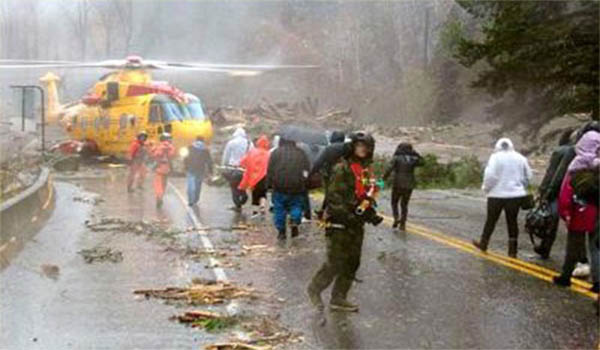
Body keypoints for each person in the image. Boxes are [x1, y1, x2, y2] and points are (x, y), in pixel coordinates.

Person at [307, 131, 381, 313]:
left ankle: (339, 298)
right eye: (359, 146)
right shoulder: (342, 168)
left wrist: (369, 213)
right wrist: (348, 216)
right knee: (334, 263)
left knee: (352, 262)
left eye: (366, 147)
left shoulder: (365, 170)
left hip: (356, 225)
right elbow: (334, 198)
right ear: (353, 147)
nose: (362, 149)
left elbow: (366, 194)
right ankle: (315, 289)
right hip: (339, 224)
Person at [553, 130, 599, 293]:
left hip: (579, 211)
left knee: (573, 246)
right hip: (597, 213)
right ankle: (598, 281)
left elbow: (566, 190)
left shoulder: (577, 164)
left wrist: (564, 211)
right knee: (595, 248)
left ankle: (565, 277)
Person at [472, 138, 532, 258]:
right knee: (512, 221)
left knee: (491, 220)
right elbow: (528, 175)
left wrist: (486, 188)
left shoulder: (495, 157)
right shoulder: (520, 158)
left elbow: (490, 176)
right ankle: (512, 250)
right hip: (515, 195)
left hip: (496, 195)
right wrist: (522, 187)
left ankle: (484, 242)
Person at [535, 129, 574, 259]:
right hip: (576, 190)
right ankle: (579, 257)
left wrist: (544, 189)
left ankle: (545, 247)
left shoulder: (560, 151)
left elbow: (551, 172)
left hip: (558, 190)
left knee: (551, 219)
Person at [266, 134, 311, 240]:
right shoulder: (301, 153)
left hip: (279, 186)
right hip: (297, 186)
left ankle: (281, 231)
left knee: (279, 208)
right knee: (296, 205)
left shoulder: (276, 153)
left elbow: (270, 170)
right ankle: (295, 221)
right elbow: (306, 169)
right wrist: (304, 181)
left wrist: (268, 185)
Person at [383, 142, 423, 230]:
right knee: (404, 204)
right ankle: (403, 224)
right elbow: (422, 162)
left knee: (394, 202)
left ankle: (396, 218)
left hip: (397, 183)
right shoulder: (413, 159)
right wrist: (415, 153)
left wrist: (383, 179)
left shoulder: (396, 158)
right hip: (409, 184)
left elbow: (389, 169)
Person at [310, 131, 349, 219]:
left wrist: (312, 172)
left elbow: (319, 162)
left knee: (329, 193)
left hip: (331, 175)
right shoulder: (348, 148)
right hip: (346, 175)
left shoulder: (329, 148)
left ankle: (323, 211)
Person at [238, 135, 270, 218]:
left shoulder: (252, 152)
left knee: (255, 194)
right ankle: (262, 206)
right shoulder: (268, 154)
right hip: (264, 176)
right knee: (263, 193)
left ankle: (255, 212)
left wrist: (241, 165)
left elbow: (243, 161)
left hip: (254, 177)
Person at [222, 128, 253, 211]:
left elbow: (226, 155)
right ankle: (243, 197)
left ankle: (238, 205)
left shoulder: (231, 143)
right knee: (242, 185)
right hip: (245, 169)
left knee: (234, 187)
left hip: (233, 168)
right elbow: (252, 156)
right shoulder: (250, 144)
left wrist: (224, 165)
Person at [184, 135, 213, 207]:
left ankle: (190, 200)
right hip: (200, 169)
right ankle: (196, 199)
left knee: (190, 184)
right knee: (198, 185)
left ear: (196, 140)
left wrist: (185, 166)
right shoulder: (205, 150)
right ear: (203, 141)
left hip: (191, 168)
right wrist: (210, 171)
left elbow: (185, 158)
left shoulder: (190, 147)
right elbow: (209, 161)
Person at [152, 132, 176, 208]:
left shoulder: (159, 146)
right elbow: (172, 156)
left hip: (159, 167)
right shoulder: (171, 147)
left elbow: (155, 155)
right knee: (164, 184)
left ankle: (159, 197)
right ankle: (161, 197)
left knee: (158, 184)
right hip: (167, 167)